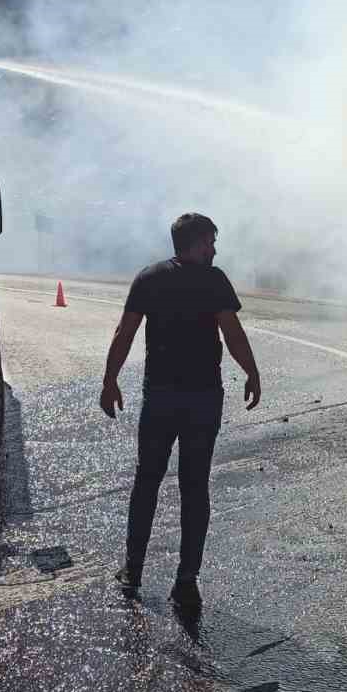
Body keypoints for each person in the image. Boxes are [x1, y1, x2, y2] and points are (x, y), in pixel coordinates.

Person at [100, 213, 262, 611]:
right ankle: (186, 582)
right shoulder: (214, 280)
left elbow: (125, 332)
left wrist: (110, 380)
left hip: (160, 398)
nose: (215, 249)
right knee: (194, 486)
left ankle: (133, 570)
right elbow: (232, 332)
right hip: (203, 398)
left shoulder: (149, 278)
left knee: (147, 482)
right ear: (195, 242)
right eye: (210, 242)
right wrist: (252, 372)